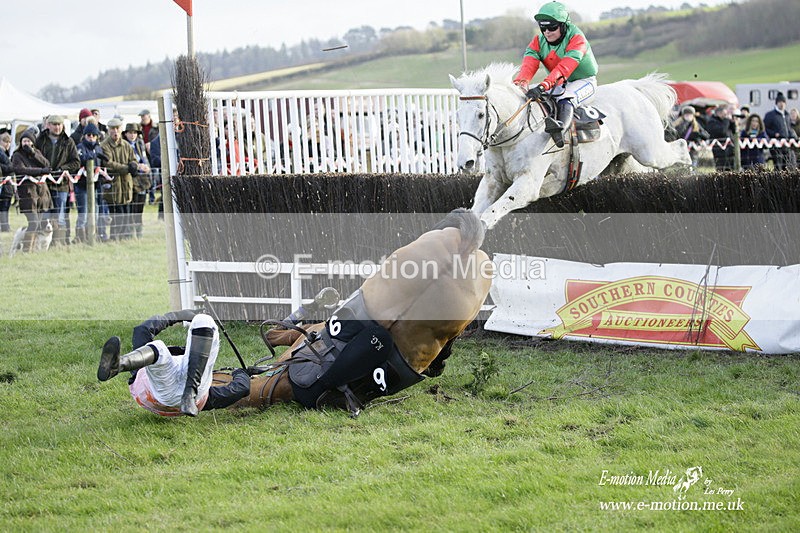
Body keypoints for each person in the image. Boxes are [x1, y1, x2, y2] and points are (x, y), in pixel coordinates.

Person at [97, 309, 251, 417]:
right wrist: (240, 373)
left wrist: (177, 315)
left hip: (160, 395)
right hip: (190, 395)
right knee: (204, 320)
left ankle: (120, 364)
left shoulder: (142, 367)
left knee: (157, 347)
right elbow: (241, 389)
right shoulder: (206, 396)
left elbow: (142, 329)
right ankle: (189, 393)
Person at [512, 1, 598, 148]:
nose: (547, 32)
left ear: (563, 25)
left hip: (584, 81)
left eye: (552, 27)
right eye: (543, 27)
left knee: (566, 98)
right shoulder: (538, 41)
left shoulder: (577, 38)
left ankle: (560, 132)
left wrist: (543, 85)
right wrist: (522, 83)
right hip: (559, 83)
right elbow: (528, 65)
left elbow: (565, 67)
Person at [34, 115, 80, 245]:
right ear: (48, 125)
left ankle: (58, 243)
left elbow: (76, 162)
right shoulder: (40, 140)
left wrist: (63, 168)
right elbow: (33, 157)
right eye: (54, 124)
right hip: (44, 184)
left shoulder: (68, 141)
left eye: (59, 124)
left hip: (61, 185)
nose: (57, 127)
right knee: (45, 214)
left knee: (60, 215)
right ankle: (44, 244)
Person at [11, 128, 52, 252]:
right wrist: (39, 171)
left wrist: (33, 154)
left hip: (41, 193)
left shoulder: (37, 153)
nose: (26, 143)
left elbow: (47, 164)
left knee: (39, 223)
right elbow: (20, 170)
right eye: (24, 141)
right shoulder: (17, 155)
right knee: (33, 222)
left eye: (28, 141)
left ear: (33, 142)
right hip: (27, 194)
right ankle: (26, 249)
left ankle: (34, 248)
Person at [100, 118, 136, 239]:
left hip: (126, 184)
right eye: (112, 129)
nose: (115, 131)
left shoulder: (127, 145)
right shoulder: (104, 146)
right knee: (116, 213)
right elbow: (108, 163)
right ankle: (115, 237)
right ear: (108, 130)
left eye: (117, 128)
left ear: (121, 130)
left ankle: (125, 236)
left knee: (126, 213)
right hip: (113, 185)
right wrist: (127, 168)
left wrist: (134, 165)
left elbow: (133, 159)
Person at [74, 122, 105, 243]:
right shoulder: (80, 148)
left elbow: (101, 163)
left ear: (97, 136)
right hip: (82, 186)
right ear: (84, 136)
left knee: (95, 212)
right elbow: (82, 159)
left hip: (96, 185)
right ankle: (80, 237)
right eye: (88, 135)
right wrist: (92, 155)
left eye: (93, 135)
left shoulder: (99, 148)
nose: (91, 137)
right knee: (83, 213)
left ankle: (92, 235)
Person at [123, 123, 151, 239]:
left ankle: (139, 233)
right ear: (126, 134)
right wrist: (138, 166)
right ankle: (130, 233)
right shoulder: (124, 145)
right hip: (131, 179)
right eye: (130, 132)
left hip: (142, 179)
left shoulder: (140, 143)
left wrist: (147, 167)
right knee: (131, 208)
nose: (133, 135)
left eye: (135, 133)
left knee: (140, 207)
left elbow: (145, 159)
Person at [763, 92, 798, 171]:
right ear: (776, 103)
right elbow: (765, 128)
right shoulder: (770, 115)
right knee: (778, 166)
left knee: (788, 165)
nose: (781, 104)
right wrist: (774, 134)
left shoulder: (787, 115)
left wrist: (792, 136)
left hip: (787, 144)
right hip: (776, 144)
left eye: (783, 102)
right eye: (779, 102)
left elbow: (789, 128)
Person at [704, 105, 736, 171]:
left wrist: (733, 123)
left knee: (731, 170)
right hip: (719, 151)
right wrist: (727, 120)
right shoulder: (712, 122)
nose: (726, 116)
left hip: (729, 149)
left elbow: (734, 131)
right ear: (718, 113)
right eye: (724, 114)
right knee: (721, 170)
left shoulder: (725, 121)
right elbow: (722, 131)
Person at [0, 132, 14, 232]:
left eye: (9, 142)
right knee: (4, 206)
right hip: (4, 184)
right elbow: (10, 167)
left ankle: (5, 226)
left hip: (6, 184)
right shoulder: (1, 152)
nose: (7, 144)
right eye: (5, 141)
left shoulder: (5, 153)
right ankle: (5, 227)